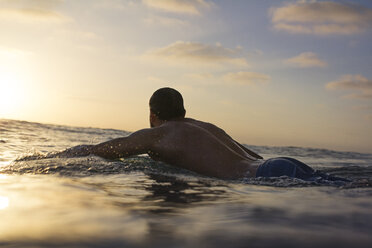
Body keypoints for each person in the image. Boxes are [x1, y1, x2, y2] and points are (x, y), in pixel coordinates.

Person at [59, 87, 349, 182]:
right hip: (281, 164)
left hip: (263, 177)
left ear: (152, 116)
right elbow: (255, 157)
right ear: (184, 112)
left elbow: (102, 149)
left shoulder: (160, 134)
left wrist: (49, 158)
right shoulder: (210, 127)